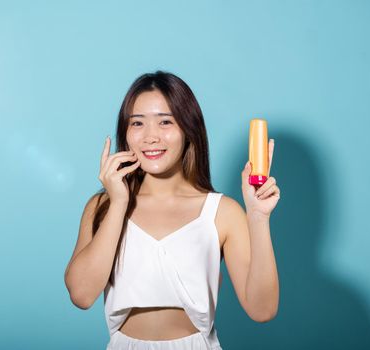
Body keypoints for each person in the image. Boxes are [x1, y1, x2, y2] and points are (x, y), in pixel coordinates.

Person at [64, 71, 280, 349]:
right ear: (126, 133)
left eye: (165, 122)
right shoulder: (102, 207)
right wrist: (118, 202)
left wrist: (258, 217)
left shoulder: (222, 212)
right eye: (138, 123)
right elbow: (81, 295)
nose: (151, 136)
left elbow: (262, 310)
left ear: (188, 130)